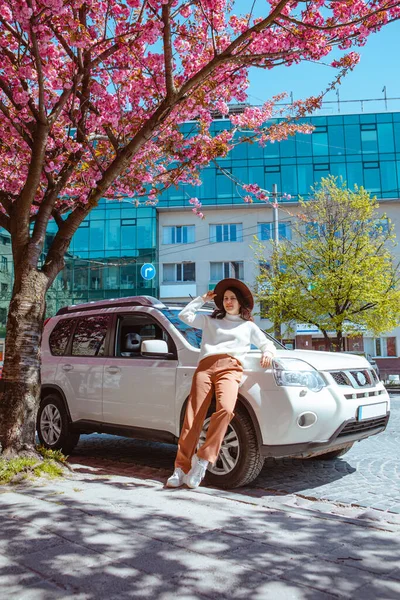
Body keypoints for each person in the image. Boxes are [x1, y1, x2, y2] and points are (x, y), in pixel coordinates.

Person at [166, 278, 276, 490]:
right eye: (225, 298)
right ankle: (180, 468)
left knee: (225, 409)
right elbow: (184, 316)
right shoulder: (210, 320)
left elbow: (266, 343)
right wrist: (201, 300)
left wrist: (268, 353)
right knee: (193, 416)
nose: (228, 302)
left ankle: (203, 461)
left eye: (232, 298)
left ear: (240, 302)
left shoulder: (248, 326)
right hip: (205, 367)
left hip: (231, 368)